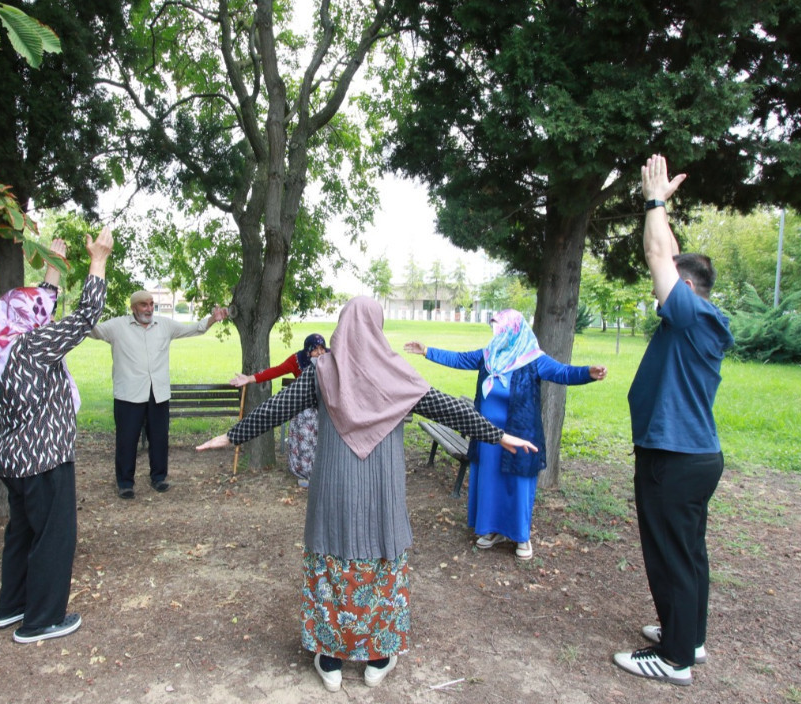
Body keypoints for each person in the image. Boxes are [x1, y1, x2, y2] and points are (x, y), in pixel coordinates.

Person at [197, 297, 538, 693]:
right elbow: (446, 407)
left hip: (333, 493)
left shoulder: (322, 371)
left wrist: (231, 436)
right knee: (378, 567)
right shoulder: (394, 374)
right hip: (382, 494)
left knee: (333, 566)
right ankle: (377, 653)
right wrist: (499, 435)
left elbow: (276, 408)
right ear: (378, 328)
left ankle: (332, 656)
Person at [611, 154, 734, 686]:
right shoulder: (697, 320)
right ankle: (689, 637)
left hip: (675, 458)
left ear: (682, 286)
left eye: (665, 282)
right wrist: (663, 218)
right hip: (689, 456)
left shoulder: (688, 315)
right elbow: (665, 251)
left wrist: (655, 202)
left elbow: (659, 252)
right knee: (688, 553)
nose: (656, 290)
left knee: (670, 556)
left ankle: (674, 660)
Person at [0, 229, 113, 644]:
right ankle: (41, 620)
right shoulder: (34, 347)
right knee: (55, 537)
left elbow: (37, 309)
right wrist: (98, 261)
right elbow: (85, 317)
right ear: (28, 320)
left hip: (14, 460)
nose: (45, 314)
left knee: (21, 534)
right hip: (44, 458)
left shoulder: (0, 348)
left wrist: (53, 272)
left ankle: (12, 607)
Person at [404, 311, 606, 559]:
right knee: (489, 481)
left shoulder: (533, 359)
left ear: (515, 331)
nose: (497, 333)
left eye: (501, 329)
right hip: (487, 435)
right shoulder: (489, 356)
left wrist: (588, 373)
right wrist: (426, 351)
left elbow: (562, 373)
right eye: (496, 328)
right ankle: (490, 530)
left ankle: (521, 537)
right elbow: (459, 359)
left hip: (519, 433)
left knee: (518, 484)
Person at [91, 291, 229, 499]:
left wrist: (212, 319)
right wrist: (80, 317)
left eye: (151, 304)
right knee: (126, 440)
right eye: (143, 305)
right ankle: (125, 483)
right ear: (134, 308)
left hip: (158, 393)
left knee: (159, 438)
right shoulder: (117, 326)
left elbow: (194, 328)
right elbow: (94, 331)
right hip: (129, 394)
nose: (148, 309)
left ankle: (159, 478)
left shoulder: (164, 325)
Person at [229, 333, 329, 487]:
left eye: (322, 348)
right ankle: (305, 474)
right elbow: (276, 371)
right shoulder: (297, 360)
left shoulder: (330, 359)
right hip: (303, 408)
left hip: (324, 407)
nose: (320, 353)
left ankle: (323, 472)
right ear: (307, 350)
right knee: (304, 437)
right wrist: (249, 378)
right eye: (315, 350)